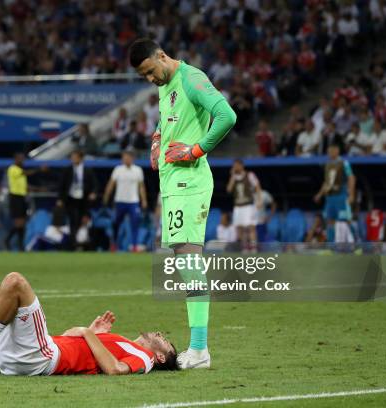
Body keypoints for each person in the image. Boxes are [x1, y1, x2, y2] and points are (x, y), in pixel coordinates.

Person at [129, 38, 236, 369]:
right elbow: (168, 118)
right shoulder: (166, 82)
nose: (150, 79)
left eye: (150, 71)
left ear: (161, 56)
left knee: (190, 263)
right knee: (184, 263)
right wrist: (158, 139)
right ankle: (198, 348)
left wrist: (195, 150)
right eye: (144, 76)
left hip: (190, 181)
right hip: (174, 184)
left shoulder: (191, 78)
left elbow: (226, 115)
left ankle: (200, 350)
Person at [0, 272, 177, 378]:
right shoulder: (123, 343)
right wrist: (95, 334)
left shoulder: (146, 357)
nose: (160, 335)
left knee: (16, 282)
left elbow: (116, 371)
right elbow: (73, 339)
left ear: (161, 355)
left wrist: (90, 334)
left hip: (41, 358)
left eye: (165, 340)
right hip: (27, 352)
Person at [102, 150, 148, 252]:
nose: (126, 159)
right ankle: (114, 244)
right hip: (120, 201)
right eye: (124, 157)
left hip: (133, 202)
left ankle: (135, 246)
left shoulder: (138, 170)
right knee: (116, 224)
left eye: (128, 157)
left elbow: (141, 187)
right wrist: (106, 196)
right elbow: (111, 184)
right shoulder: (118, 169)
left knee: (135, 223)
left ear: (132, 158)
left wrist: (144, 200)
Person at [313, 144, 356, 243]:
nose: (330, 153)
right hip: (330, 197)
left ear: (337, 150)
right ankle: (332, 246)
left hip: (341, 196)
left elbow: (351, 177)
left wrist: (351, 194)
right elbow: (327, 182)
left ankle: (355, 245)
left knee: (345, 221)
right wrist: (320, 194)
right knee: (330, 221)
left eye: (332, 151)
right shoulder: (327, 164)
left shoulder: (344, 163)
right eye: (328, 151)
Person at [58, 150, 98, 249]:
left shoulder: (88, 170)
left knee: (80, 220)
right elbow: (61, 185)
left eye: (75, 157)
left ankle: (76, 241)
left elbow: (95, 184)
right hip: (71, 198)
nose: (73, 159)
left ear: (81, 158)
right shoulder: (67, 170)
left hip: (83, 199)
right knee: (73, 220)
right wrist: (60, 199)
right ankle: (73, 243)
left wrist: (93, 193)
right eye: (72, 157)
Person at [5, 153, 44, 251]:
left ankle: (20, 245)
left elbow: (25, 186)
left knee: (22, 222)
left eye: (23, 159)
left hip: (22, 197)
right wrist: (39, 169)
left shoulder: (21, 171)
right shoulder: (12, 169)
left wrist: (38, 189)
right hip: (15, 197)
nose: (22, 160)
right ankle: (9, 240)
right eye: (20, 158)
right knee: (18, 222)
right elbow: (25, 173)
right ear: (15, 159)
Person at [227, 159, 262, 253]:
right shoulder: (234, 177)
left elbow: (257, 186)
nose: (235, 167)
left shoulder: (249, 175)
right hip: (238, 206)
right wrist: (232, 176)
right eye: (234, 165)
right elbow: (229, 189)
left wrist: (259, 200)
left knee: (251, 227)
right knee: (240, 228)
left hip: (248, 205)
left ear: (241, 165)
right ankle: (245, 248)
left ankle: (254, 248)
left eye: (236, 165)